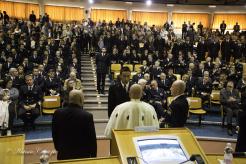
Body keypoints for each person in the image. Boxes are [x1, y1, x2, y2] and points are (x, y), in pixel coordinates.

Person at [52, 90, 97, 160]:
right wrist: (93, 157)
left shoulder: (57, 113)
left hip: (63, 153)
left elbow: (54, 133)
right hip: (82, 156)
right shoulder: (87, 116)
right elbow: (92, 139)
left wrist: (58, 148)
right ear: (81, 100)